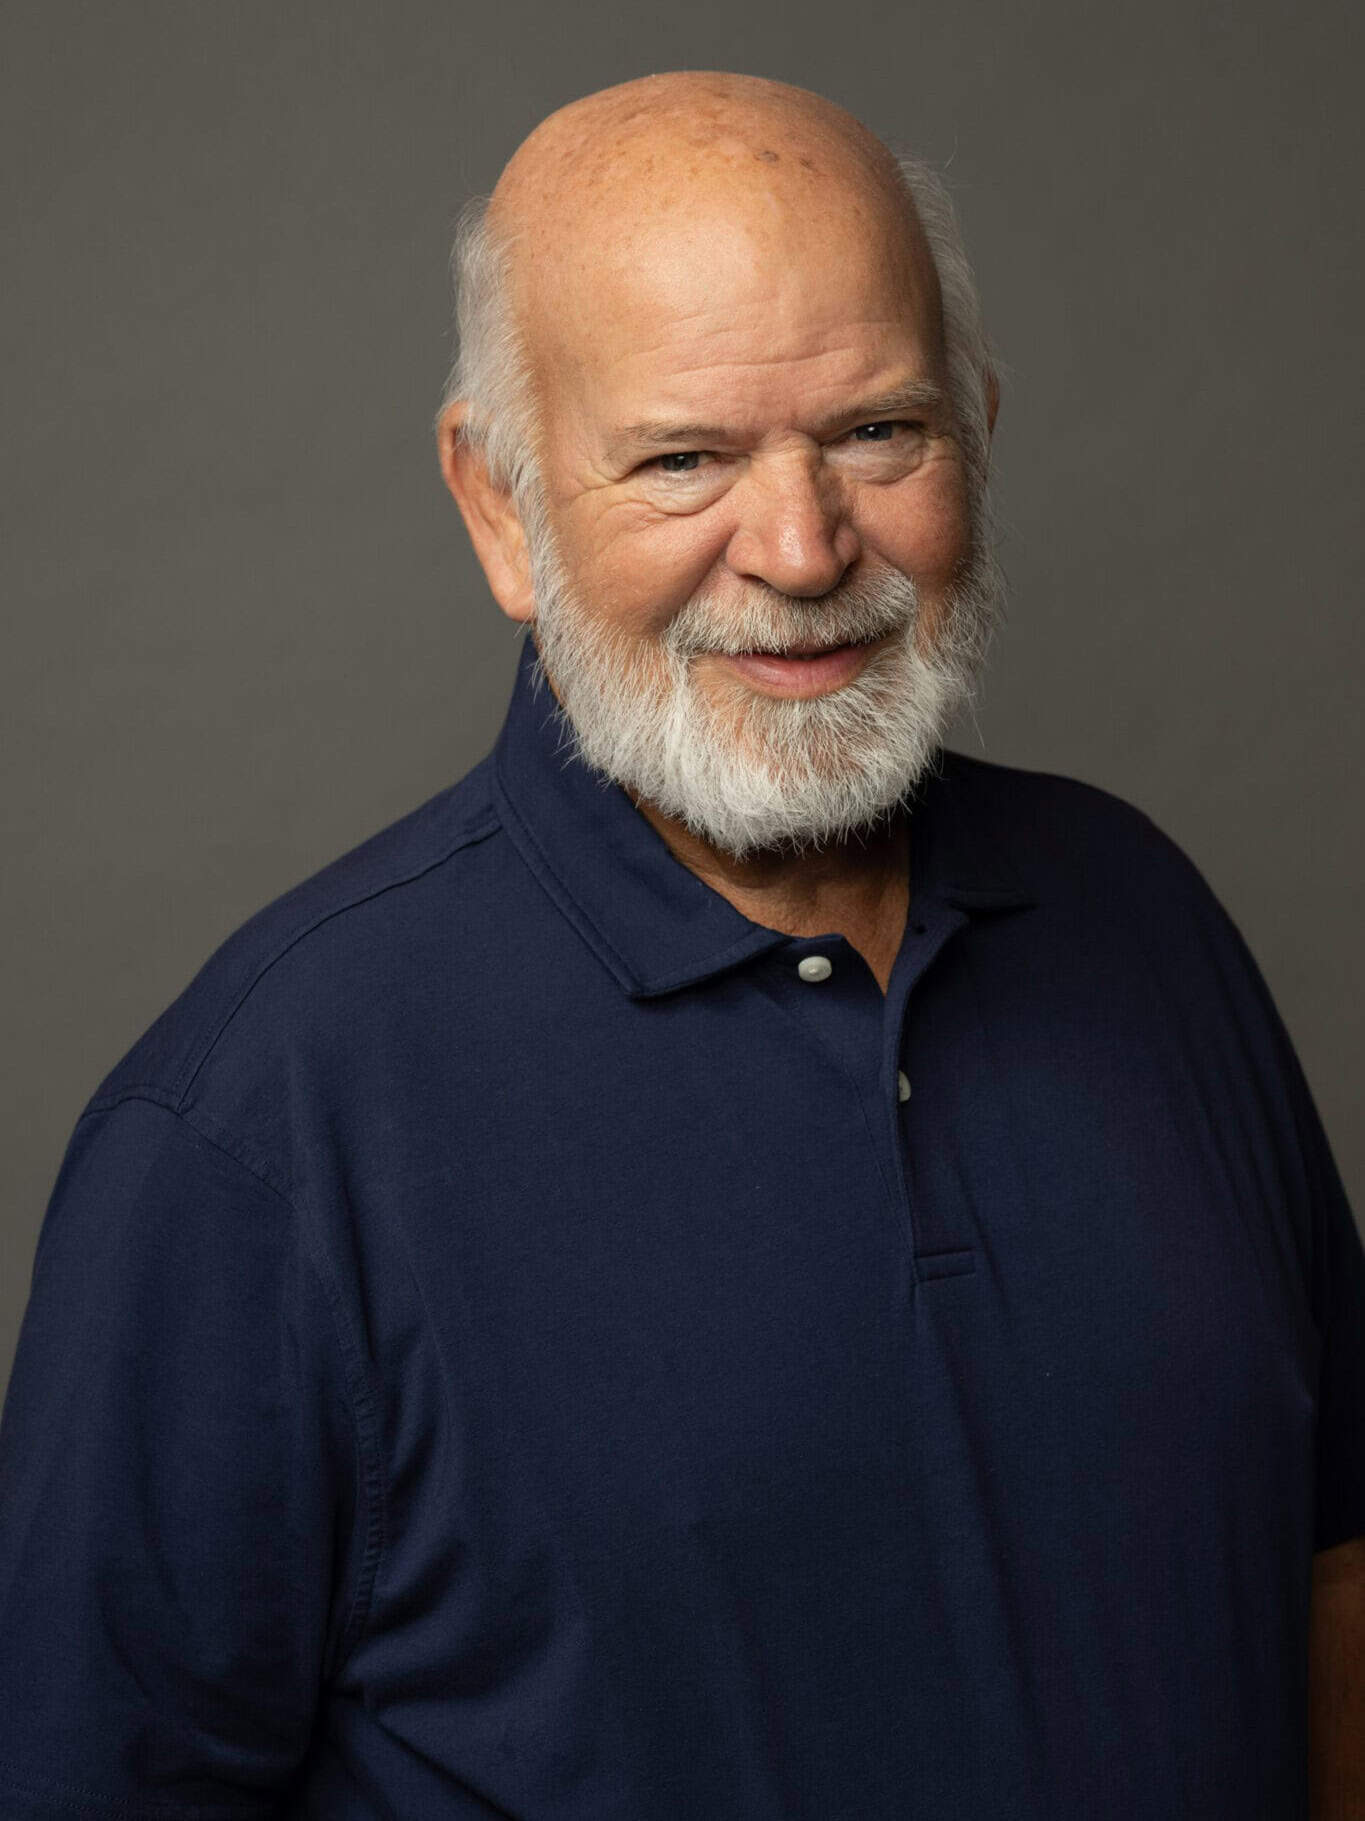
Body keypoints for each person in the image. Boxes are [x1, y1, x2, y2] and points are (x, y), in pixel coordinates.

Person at [0, 69, 1360, 1821]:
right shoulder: (256, 1132)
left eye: (877, 432)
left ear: (975, 427)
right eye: (682, 459)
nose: (799, 550)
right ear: (500, 506)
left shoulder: (1141, 918)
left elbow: (1332, 1568)